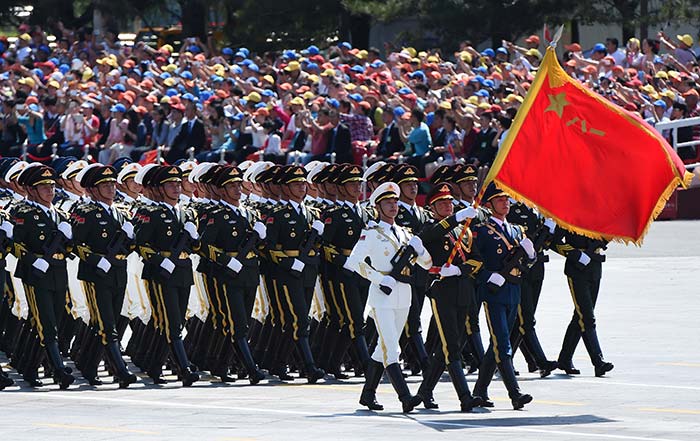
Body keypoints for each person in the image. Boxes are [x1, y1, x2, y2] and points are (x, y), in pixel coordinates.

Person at [347, 182, 432, 413]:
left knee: (381, 348)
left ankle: (367, 394)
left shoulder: (406, 234)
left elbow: (427, 264)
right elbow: (353, 262)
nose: (393, 206)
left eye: (395, 201)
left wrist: (421, 250)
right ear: (378, 206)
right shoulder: (372, 233)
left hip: (404, 293)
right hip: (382, 296)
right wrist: (377, 278)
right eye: (387, 202)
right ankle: (405, 397)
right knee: (391, 348)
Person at [416, 183, 483, 412]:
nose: (447, 205)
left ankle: (425, 391)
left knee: (453, 343)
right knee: (451, 346)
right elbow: (429, 236)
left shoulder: (461, 231)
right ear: (432, 208)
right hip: (441, 289)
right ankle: (465, 397)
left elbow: (476, 259)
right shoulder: (431, 227)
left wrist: (460, 270)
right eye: (441, 203)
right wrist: (457, 219)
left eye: (449, 202)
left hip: (463, 287)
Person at [70, 165, 138, 388]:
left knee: (108, 323)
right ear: (92, 189)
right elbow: (76, 245)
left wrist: (130, 240)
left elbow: (131, 246)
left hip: (118, 272)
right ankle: (121, 370)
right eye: (104, 185)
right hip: (95, 274)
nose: (110, 188)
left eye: (112, 184)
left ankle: (88, 366)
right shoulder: (85, 213)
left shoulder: (120, 213)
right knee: (107, 324)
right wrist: (96, 259)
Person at [133, 165, 200, 387]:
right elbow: (141, 245)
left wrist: (194, 236)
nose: (176, 187)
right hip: (160, 273)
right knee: (170, 322)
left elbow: (196, 246)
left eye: (178, 183)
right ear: (159, 189)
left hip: (182, 270)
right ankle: (184, 368)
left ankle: (153, 365)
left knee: (176, 322)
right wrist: (162, 261)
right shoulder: (148, 212)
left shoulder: (186, 212)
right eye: (170, 184)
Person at [472, 183, 536, 410]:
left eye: (507, 199)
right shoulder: (481, 230)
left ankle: (479, 390)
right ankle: (515, 393)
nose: (505, 202)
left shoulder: (518, 230)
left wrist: (531, 253)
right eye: (500, 199)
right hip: (494, 292)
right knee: (503, 343)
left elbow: (527, 263)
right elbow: (473, 259)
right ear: (489, 205)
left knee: (497, 344)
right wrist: (489, 276)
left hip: (513, 289)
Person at [11, 164, 75, 389]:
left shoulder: (59, 214)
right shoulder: (23, 213)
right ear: (31, 190)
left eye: (51, 185)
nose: (50, 190)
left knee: (51, 322)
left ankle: (28, 366)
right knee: (46, 323)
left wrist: (69, 240)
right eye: (43, 187)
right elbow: (15, 244)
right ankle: (59, 370)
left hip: (58, 272)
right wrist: (32, 260)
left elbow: (71, 249)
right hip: (36, 274)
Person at [553, 231, 615, 377]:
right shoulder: (568, 215)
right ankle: (598, 361)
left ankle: (565, 358)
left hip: (595, 267)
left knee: (580, 316)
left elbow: (608, 232)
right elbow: (554, 241)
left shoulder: (598, 214)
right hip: (577, 269)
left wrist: (606, 239)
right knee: (587, 317)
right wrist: (575, 254)